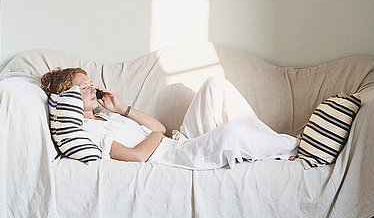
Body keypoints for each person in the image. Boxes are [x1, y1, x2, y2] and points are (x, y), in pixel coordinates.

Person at [40, 67, 299, 170]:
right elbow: (139, 156)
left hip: (178, 141)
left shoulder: (107, 117)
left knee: (214, 84)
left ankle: (272, 143)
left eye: (90, 84)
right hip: (174, 157)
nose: (92, 89)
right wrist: (156, 137)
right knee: (229, 134)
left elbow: (159, 128)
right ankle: (293, 145)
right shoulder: (90, 131)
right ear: (67, 98)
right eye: (83, 88)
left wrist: (121, 108)